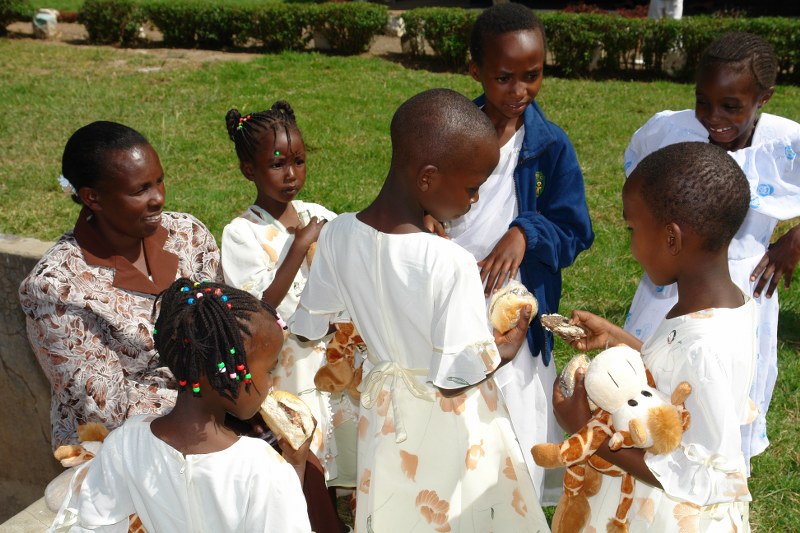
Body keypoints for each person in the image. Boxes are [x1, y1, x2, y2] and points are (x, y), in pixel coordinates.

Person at [291, 88, 551, 532]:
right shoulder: (449, 262)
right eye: (472, 188)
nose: (474, 200)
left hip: (384, 417)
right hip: (451, 424)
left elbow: (311, 323)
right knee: (457, 513)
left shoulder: (336, 235)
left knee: (397, 512)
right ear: (427, 179)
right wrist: (504, 350)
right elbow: (458, 374)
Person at [622, 31, 800, 470]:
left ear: (763, 98)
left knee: (716, 392)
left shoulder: (784, 144)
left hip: (744, 286)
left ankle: (712, 471)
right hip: (670, 280)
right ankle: (639, 461)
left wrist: (794, 240)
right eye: (703, 101)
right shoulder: (672, 130)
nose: (713, 117)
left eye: (731, 106)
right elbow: (638, 164)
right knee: (652, 373)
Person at [557, 142, 756, 531]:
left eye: (633, 229)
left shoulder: (704, 345)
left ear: (671, 239)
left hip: (670, 515)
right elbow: (676, 382)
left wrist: (586, 430)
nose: (631, 247)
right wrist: (615, 338)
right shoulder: (722, 304)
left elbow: (704, 474)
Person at [443, 2, 594, 503]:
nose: (519, 91)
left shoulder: (550, 147)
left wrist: (526, 232)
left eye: (532, 75)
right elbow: (418, 192)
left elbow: (575, 230)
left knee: (514, 432)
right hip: (450, 302)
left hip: (518, 319)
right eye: (504, 78)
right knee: (456, 427)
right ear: (476, 71)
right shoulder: (448, 133)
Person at [19, 121, 220, 450]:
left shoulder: (188, 235)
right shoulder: (56, 287)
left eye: (159, 181)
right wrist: (214, 404)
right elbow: (106, 412)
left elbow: (226, 328)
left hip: (215, 414)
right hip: (127, 448)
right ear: (93, 198)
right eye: (140, 190)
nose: (158, 198)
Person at [55, 279, 313, 532]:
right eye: (269, 370)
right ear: (225, 371)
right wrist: (295, 465)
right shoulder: (261, 467)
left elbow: (95, 524)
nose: (271, 383)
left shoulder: (126, 442)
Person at [220, 102, 352, 532]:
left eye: (298, 161)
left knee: (346, 444)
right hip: (290, 368)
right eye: (277, 165)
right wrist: (297, 249)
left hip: (336, 359)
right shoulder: (242, 233)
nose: (291, 174)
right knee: (305, 450)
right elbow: (259, 308)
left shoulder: (322, 215)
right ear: (249, 170)